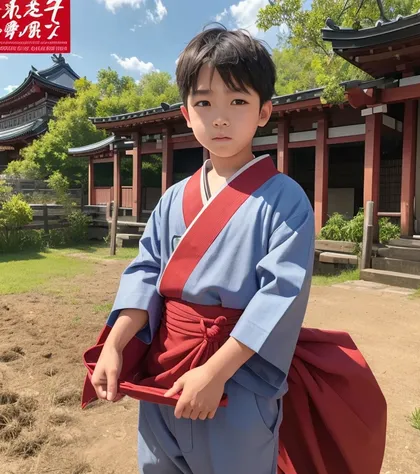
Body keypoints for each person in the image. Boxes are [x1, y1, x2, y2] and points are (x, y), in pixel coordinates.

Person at [82, 26, 387, 474]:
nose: (220, 117)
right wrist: (115, 344)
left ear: (264, 111)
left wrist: (215, 372)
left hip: (237, 382)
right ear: (187, 113)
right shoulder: (171, 200)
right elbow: (145, 274)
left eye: (238, 101)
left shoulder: (286, 201)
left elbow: (279, 298)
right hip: (164, 375)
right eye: (204, 102)